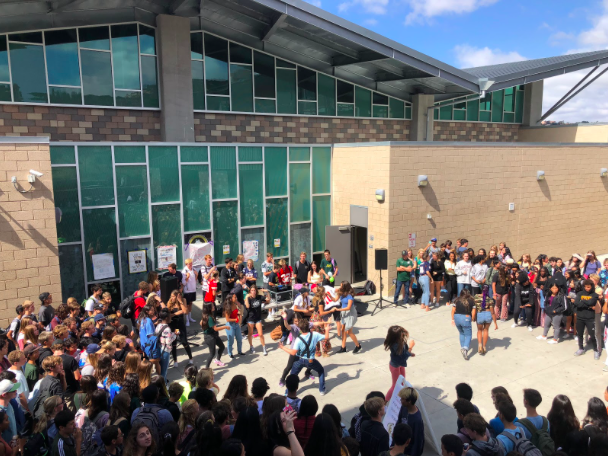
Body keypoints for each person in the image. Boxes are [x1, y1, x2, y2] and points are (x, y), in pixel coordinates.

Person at [279, 318, 329, 395]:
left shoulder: (298, 339)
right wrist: (327, 329)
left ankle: (287, 392)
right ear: (309, 327)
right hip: (310, 361)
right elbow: (326, 337)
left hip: (299, 360)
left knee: (292, 377)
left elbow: (293, 352)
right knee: (321, 370)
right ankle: (322, 390)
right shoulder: (315, 334)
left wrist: (283, 347)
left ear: (300, 329)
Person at [383, 326, 415, 402]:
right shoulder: (395, 345)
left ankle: (399, 397)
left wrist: (409, 353)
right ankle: (385, 402)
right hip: (395, 366)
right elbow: (403, 357)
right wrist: (410, 348)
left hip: (400, 364)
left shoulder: (399, 341)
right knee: (395, 385)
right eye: (401, 333)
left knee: (402, 382)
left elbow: (404, 353)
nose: (403, 334)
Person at [166, 290, 194, 368]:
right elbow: (168, 314)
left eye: (173, 296)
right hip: (173, 325)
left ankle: (190, 358)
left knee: (184, 341)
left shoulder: (183, 300)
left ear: (178, 296)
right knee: (173, 342)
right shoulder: (170, 302)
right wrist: (177, 313)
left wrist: (180, 301)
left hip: (180, 324)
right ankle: (175, 360)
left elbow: (185, 311)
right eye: (171, 296)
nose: (171, 298)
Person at [573, 279, 601, 359]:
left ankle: (596, 350)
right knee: (580, 334)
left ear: (591, 287)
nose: (587, 288)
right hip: (580, 317)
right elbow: (576, 303)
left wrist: (583, 301)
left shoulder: (595, 295)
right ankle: (581, 348)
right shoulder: (579, 293)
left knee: (592, 335)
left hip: (590, 318)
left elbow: (591, 303)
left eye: (588, 287)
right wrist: (588, 305)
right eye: (585, 287)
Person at [334, 281, 362, 353]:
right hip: (344, 312)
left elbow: (349, 307)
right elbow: (334, 300)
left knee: (348, 331)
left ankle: (358, 346)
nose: (340, 287)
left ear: (345, 287)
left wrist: (338, 309)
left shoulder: (350, 296)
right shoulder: (341, 293)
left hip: (350, 313)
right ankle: (343, 347)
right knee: (343, 330)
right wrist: (328, 295)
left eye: (341, 286)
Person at [396, 387, 424, 456]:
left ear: (409, 402)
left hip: (409, 451)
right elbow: (398, 424)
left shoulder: (417, 420)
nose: (400, 400)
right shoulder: (404, 408)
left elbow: (418, 442)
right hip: (401, 447)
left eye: (403, 399)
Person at [200, 302, 228, 368]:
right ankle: (206, 368)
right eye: (212, 306)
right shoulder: (209, 317)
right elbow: (215, 328)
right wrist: (225, 327)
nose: (214, 307)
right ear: (209, 308)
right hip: (210, 337)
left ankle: (217, 360)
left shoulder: (206, 315)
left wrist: (206, 327)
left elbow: (200, 323)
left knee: (222, 347)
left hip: (213, 336)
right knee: (212, 354)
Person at [245, 285, 271, 355]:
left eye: (254, 290)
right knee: (250, 334)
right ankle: (251, 346)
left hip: (258, 318)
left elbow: (268, 301)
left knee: (260, 334)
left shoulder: (259, 297)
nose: (253, 292)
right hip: (250, 318)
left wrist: (267, 292)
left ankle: (264, 347)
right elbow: (247, 306)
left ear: (256, 291)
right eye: (252, 290)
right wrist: (246, 298)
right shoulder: (249, 298)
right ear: (250, 291)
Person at [473, 285, 497, 355]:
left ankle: (480, 345)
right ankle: (484, 347)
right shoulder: (490, 299)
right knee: (486, 330)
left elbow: (474, 307)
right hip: (488, 314)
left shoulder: (476, 297)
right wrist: (495, 323)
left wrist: (473, 317)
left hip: (479, 314)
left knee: (479, 330)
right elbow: (492, 312)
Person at [137, 305, 161, 375]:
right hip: (150, 346)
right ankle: (159, 380)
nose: (154, 311)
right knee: (156, 362)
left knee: (147, 361)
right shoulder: (148, 321)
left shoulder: (143, 319)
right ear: (147, 311)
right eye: (152, 310)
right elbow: (150, 336)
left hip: (144, 344)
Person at [451, 289, 473, 360]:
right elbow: (474, 311)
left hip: (456, 317)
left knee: (461, 333)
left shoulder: (456, 300)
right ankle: (465, 348)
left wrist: (452, 319)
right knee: (468, 334)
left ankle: (462, 347)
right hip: (466, 318)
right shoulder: (471, 301)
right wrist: (472, 318)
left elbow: (453, 310)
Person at [223, 292, 244, 358]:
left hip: (236, 325)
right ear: (230, 299)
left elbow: (239, 311)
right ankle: (230, 353)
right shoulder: (228, 308)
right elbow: (227, 319)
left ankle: (239, 351)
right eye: (235, 297)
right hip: (230, 325)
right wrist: (235, 319)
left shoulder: (235, 304)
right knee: (231, 340)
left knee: (239, 339)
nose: (236, 298)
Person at [181, 258, 198, 326]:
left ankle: (190, 318)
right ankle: (187, 320)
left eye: (191, 263)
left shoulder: (193, 269)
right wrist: (187, 277)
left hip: (193, 289)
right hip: (187, 291)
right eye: (189, 264)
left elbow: (195, 280)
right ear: (186, 264)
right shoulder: (184, 271)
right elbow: (183, 283)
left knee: (190, 303)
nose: (191, 265)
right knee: (187, 305)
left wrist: (197, 275)